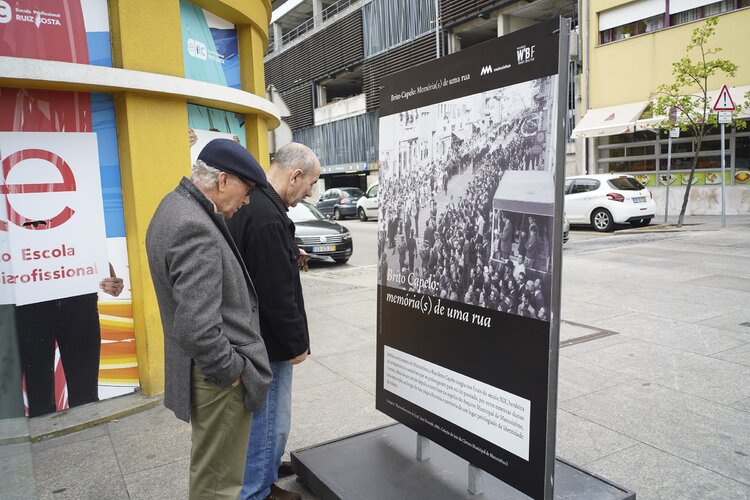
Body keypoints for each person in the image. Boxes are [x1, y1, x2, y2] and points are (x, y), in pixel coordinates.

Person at [146, 138, 272, 499]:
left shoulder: (173, 206)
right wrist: (232, 371)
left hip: (204, 372)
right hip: (217, 380)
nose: (246, 201)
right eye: (247, 190)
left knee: (211, 471)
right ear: (223, 180)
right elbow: (196, 325)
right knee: (218, 482)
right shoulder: (194, 225)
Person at [227, 142, 321, 500]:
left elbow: (259, 263)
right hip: (269, 342)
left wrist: (288, 251)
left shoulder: (254, 202)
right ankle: (258, 491)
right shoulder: (267, 215)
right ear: (295, 175)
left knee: (264, 419)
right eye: (311, 183)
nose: (309, 192)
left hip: (253, 336)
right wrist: (297, 344)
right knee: (270, 419)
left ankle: (264, 471)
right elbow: (276, 293)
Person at [15, 265, 124, 417]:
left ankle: (87, 430)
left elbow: (92, 255)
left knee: (85, 398)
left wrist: (109, 277)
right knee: (39, 402)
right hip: (30, 305)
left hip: (78, 303)